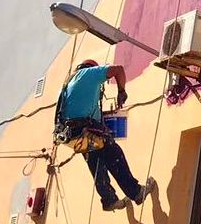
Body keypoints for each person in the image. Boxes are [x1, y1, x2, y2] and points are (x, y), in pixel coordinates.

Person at [57, 59, 154, 211]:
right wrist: (121, 91)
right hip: (85, 129)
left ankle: (109, 200)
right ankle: (136, 192)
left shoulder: (68, 84)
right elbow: (118, 69)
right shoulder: (88, 74)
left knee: (96, 163)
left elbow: (83, 108)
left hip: (73, 134)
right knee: (114, 154)